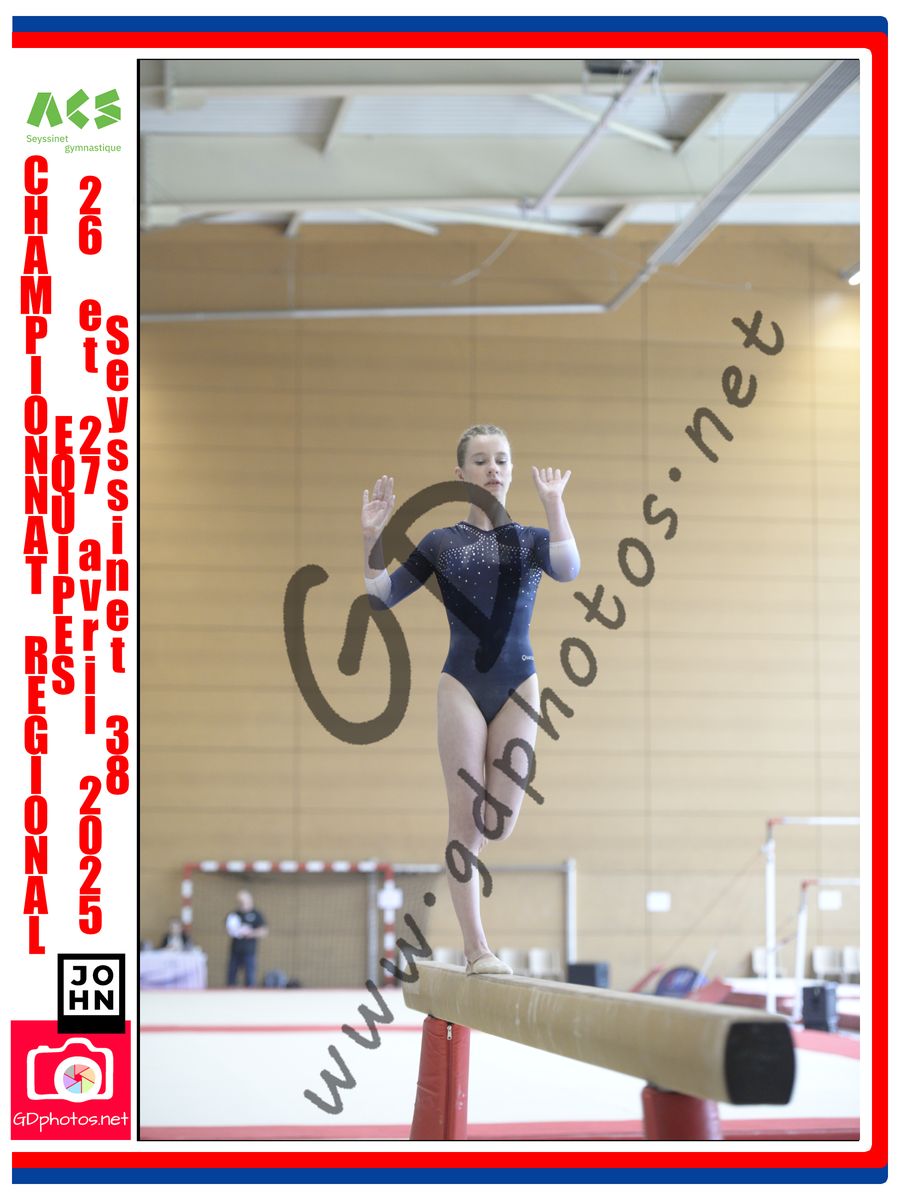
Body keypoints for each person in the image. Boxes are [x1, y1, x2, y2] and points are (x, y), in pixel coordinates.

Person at [362, 424, 580, 976]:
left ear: (511, 469)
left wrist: (554, 504)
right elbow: (382, 598)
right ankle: (476, 948)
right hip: (460, 684)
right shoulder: (442, 542)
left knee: (497, 824)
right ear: (460, 473)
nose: (493, 469)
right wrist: (372, 540)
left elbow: (568, 568)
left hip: (518, 682)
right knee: (465, 825)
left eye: (501, 459)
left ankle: (476, 929)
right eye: (481, 460)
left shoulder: (530, 538)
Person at [225, 889, 268, 987]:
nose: (242, 903)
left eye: (244, 900)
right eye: (240, 901)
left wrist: (251, 933)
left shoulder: (256, 914)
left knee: (250, 977)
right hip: (235, 950)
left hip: (249, 951)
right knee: (231, 976)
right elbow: (229, 928)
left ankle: (250, 992)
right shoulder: (235, 914)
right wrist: (236, 931)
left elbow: (264, 930)